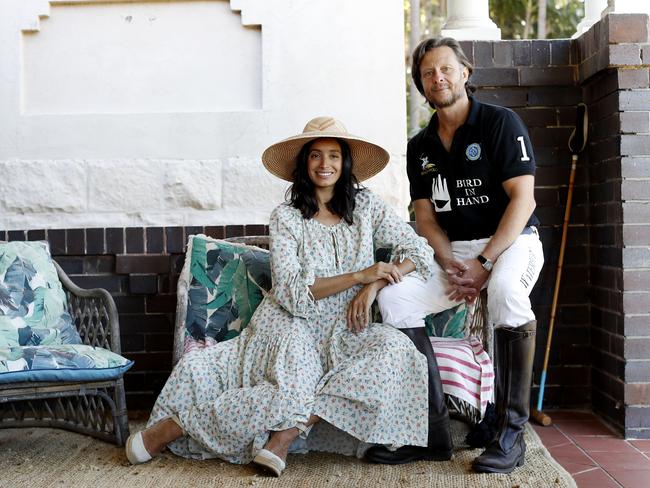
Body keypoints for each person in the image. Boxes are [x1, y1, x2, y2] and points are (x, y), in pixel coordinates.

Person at [124, 116, 443, 476]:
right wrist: (359, 274)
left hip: (346, 328)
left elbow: (417, 251)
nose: (326, 165)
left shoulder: (367, 207)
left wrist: (374, 286)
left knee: (396, 350)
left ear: (345, 162)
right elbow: (292, 291)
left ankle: (287, 434)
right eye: (316, 156)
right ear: (304, 164)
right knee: (288, 391)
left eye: (334, 155)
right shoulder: (286, 218)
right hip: (292, 323)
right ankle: (177, 425)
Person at [368, 37, 544, 474]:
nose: (438, 77)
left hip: (511, 243)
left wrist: (484, 264)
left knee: (505, 292)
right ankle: (431, 432)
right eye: (428, 73)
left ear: (465, 73)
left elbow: (524, 201)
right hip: (455, 253)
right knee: (394, 300)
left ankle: (510, 431)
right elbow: (425, 219)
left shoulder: (501, 123)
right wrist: (450, 262)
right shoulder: (421, 145)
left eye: (446, 69)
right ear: (421, 87)